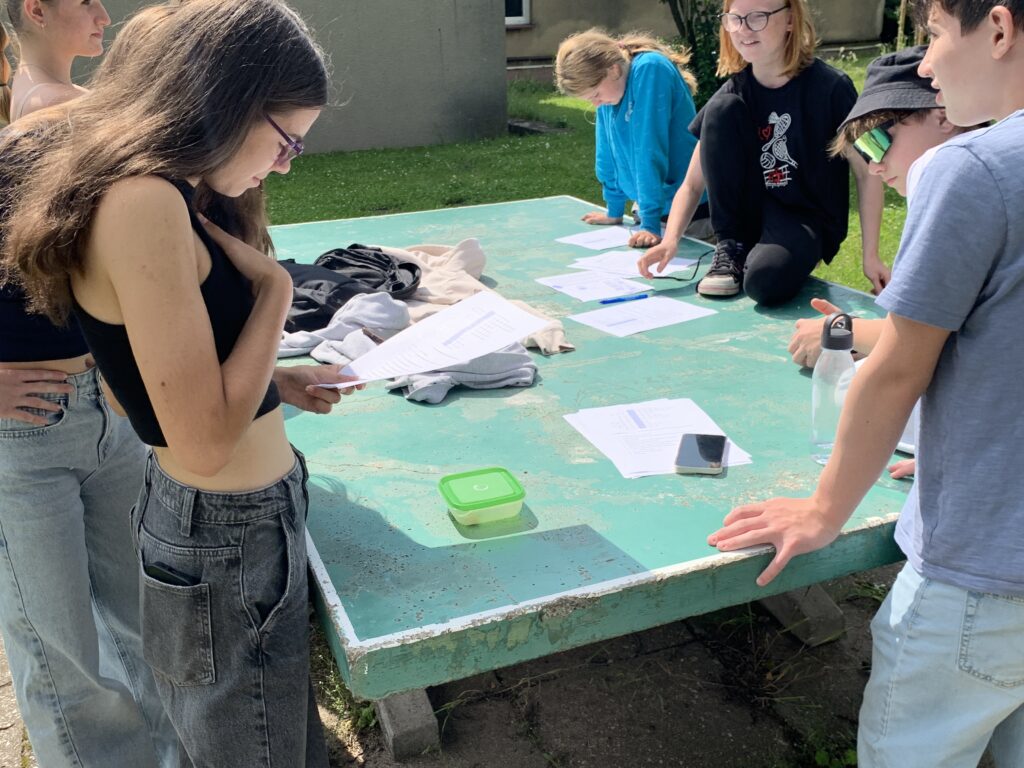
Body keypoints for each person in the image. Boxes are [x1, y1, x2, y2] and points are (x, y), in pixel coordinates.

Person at [1, 0, 345, 763]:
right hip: (221, 527)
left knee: (267, 731)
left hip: (235, 518)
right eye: (287, 139)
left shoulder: (169, 192)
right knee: (239, 741)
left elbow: (140, 385)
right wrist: (276, 294)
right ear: (228, 99)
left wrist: (270, 381)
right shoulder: (143, 200)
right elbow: (202, 442)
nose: (287, 162)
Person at [708, 0, 1024, 764]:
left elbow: (899, 369)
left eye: (935, 35)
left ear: (998, 30)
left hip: (981, 574)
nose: (928, 64)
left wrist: (823, 510)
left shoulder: (973, 170)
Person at [638, 0, 886, 305]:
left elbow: (868, 172)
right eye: (735, 19)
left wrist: (871, 256)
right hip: (749, 216)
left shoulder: (832, 87)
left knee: (764, 283)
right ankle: (731, 247)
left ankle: (761, 259)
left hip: (804, 219)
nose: (744, 29)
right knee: (720, 108)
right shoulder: (730, 96)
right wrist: (670, 240)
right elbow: (692, 184)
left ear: (791, 20)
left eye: (758, 17)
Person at [554, 28, 710, 248]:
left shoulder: (651, 69)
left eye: (596, 94)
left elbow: (649, 148)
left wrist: (650, 223)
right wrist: (614, 209)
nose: (596, 103)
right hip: (650, 213)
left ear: (614, 69)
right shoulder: (611, 90)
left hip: (690, 215)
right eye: (590, 99)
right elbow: (606, 149)